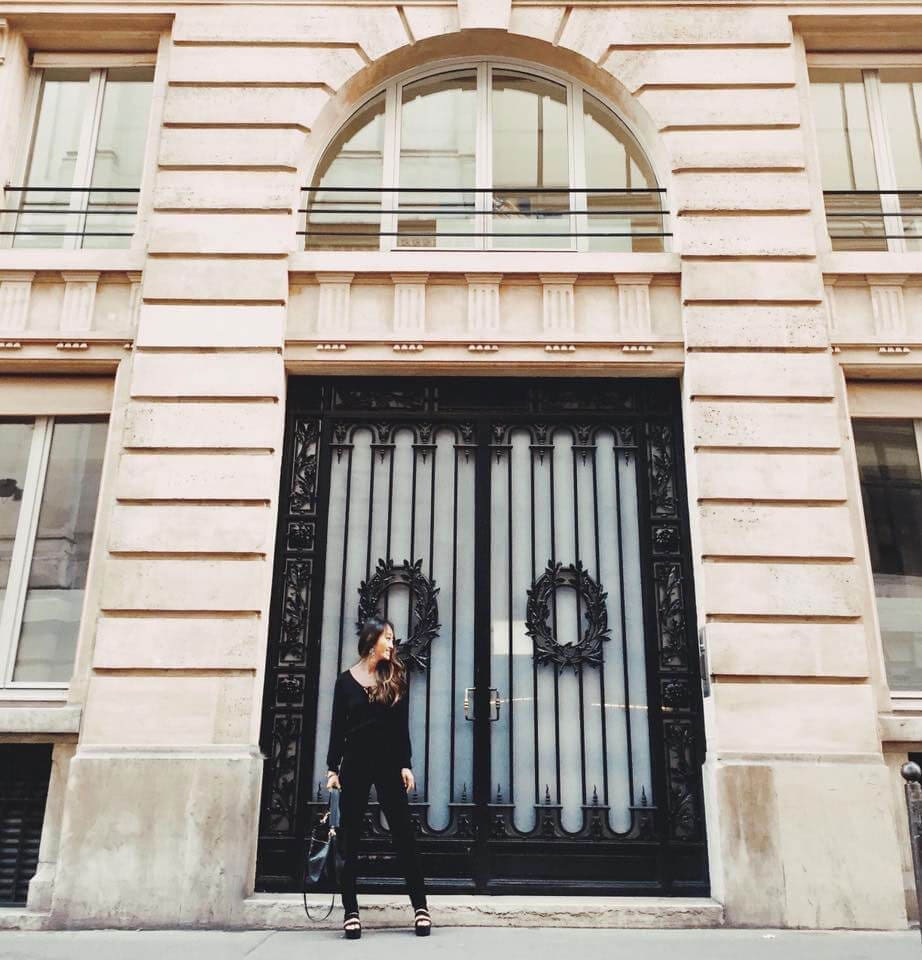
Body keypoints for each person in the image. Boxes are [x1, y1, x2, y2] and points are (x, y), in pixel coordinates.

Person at [326, 617, 430, 939]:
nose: (392, 643)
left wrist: (405, 764)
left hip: (387, 763)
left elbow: (401, 727)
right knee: (350, 838)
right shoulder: (345, 682)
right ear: (372, 641)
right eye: (388, 638)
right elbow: (337, 729)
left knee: (403, 834)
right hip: (355, 764)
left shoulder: (396, 676)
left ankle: (421, 907)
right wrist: (332, 768)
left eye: (393, 638)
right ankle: (351, 911)